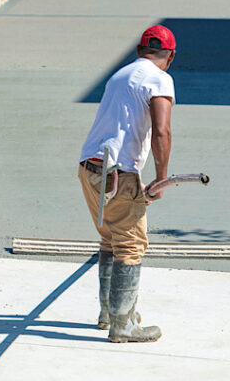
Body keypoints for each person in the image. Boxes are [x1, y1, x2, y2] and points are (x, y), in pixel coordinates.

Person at [78, 25, 176, 343]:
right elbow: (161, 131)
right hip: (119, 173)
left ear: (138, 50)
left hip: (90, 167)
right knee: (131, 245)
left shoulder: (119, 75)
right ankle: (123, 325)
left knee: (110, 238)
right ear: (170, 56)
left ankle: (108, 313)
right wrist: (162, 178)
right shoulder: (160, 79)